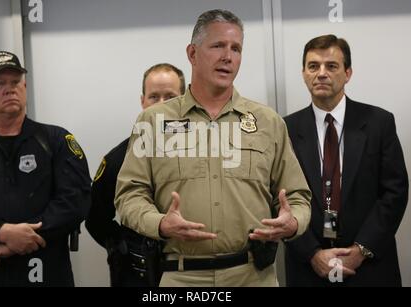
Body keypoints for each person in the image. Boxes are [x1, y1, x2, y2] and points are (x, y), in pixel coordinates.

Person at [115, 9, 311, 287]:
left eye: (236, 48)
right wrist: (159, 223)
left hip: (253, 275)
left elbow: (298, 196)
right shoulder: (152, 121)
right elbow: (128, 195)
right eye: (218, 46)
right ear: (192, 54)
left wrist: (293, 223)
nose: (228, 57)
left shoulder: (268, 122)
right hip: (182, 276)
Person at [284, 34, 409, 286]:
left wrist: (361, 250)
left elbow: (395, 192)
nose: (321, 73)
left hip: (370, 268)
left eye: (331, 66)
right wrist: (311, 253)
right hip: (308, 269)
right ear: (303, 73)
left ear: (348, 73)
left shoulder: (379, 123)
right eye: (313, 66)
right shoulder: (284, 128)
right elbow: (279, 198)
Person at [0, 50, 91, 286]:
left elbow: (75, 202)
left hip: (47, 272)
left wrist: (21, 240)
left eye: (15, 82)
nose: (9, 89)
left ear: (25, 87)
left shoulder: (57, 140)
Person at [85, 63, 185, 286]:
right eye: (154, 97)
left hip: (192, 271)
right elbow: (95, 218)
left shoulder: (205, 150)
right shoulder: (119, 158)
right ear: (142, 102)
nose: (161, 105)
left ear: (184, 99)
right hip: (139, 274)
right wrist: (124, 246)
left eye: (169, 96)